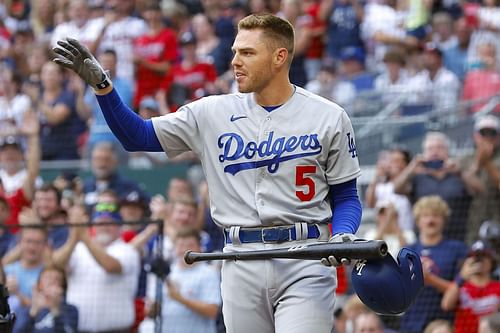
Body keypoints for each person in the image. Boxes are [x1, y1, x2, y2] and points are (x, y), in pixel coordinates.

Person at [53, 13, 363, 333]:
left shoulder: (328, 116)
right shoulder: (211, 111)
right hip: (240, 260)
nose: (235, 61)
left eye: (247, 53)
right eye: (234, 52)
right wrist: (103, 87)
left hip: (305, 258)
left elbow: (347, 195)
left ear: (279, 57)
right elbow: (138, 137)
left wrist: (342, 234)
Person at [52, 206, 140, 332]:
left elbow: (110, 266)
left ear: (119, 227)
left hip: (116, 330)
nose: (104, 227)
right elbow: (57, 264)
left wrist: (85, 237)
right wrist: (74, 237)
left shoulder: (127, 250)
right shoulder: (79, 248)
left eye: (109, 223)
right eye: (99, 223)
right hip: (79, 329)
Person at [399, 196, 467, 333]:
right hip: (413, 322)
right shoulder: (407, 251)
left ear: (444, 220)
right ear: (418, 221)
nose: (431, 220)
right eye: (425, 216)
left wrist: (430, 279)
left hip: (445, 320)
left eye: (436, 216)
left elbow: (462, 290)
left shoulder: (457, 249)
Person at [142, 228, 221, 333]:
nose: (185, 250)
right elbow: (148, 313)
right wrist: (155, 305)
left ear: (200, 248)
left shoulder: (209, 273)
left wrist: (180, 299)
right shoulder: (166, 271)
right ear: (174, 248)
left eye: (190, 245)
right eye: (180, 245)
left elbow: (212, 311)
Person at [441, 240, 500, 333]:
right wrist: (461, 277)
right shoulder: (461, 286)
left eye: (483, 256)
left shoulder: (498, 287)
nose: (479, 261)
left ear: (491, 261)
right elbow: (446, 305)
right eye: (475, 257)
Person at [460, 115, 500, 244]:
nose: (487, 137)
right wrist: (479, 162)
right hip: (472, 219)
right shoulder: (465, 159)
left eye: (492, 133)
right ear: (475, 136)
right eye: (483, 133)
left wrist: (487, 162)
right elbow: (467, 186)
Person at [13, 265, 79, 333]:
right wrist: (34, 311)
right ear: (39, 285)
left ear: (62, 287)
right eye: (48, 277)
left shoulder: (70, 310)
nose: (52, 281)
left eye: (57, 279)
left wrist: (55, 310)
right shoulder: (25, 310)